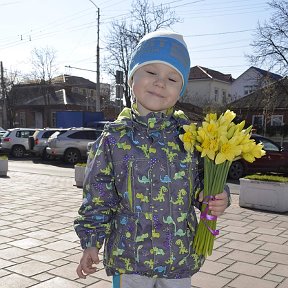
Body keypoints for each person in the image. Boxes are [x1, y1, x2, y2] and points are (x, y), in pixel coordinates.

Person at [74, 30, 230, 288]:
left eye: (172, 78)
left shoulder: (190, 137)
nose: (160, 83)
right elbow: (98, 196)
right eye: (151, 72)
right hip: (131, 259)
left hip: (179, 257)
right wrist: (91, 241)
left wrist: (217, 196)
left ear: (181, 90)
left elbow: (203, 185)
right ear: (132, 77)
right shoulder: (114, 138)